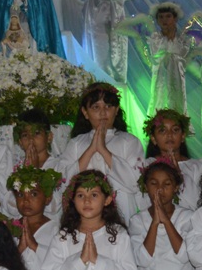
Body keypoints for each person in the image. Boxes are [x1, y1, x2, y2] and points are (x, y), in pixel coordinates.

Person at [58, 83, 144, 222]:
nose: (103, 113)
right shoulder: (76, 143)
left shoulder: (129, 142)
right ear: (85, 112)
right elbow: (63, 182)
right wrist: (91, 149)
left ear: (116, 110)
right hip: (83, 216)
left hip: (122, 211)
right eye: (96, 107)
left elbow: (136, 182)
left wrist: (103, 150)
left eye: (108, 106)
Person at [7, 109, 64, 220]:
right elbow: (11, 207)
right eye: (25, 135)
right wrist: (26, 171)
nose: (31, 139)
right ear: (20, 142)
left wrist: (33, 172)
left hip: (50, 227)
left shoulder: (59, 167)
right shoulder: (16, 168)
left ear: (49, 137)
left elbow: (54, 206)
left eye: (37, 133)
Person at [143, 109, 202, 211]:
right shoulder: (146, 165)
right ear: (153, 138)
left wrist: (179, 174)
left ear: (183, 136)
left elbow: (199, 204)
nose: (169, 134)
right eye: (162, 130)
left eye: (175, 130)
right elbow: (143, 203)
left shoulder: (197, 167)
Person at [147, 3, 193, 116]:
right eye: (161, 17)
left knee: (178, 106)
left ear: (175, 18)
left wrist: (172, 35)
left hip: (177, 79)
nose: (164, 20)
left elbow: (180, 54)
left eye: (168, 16)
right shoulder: (155, 38)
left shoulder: (183, 39)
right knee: (158, 102)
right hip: (160, 79)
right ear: (157, 20)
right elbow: (157, 54)